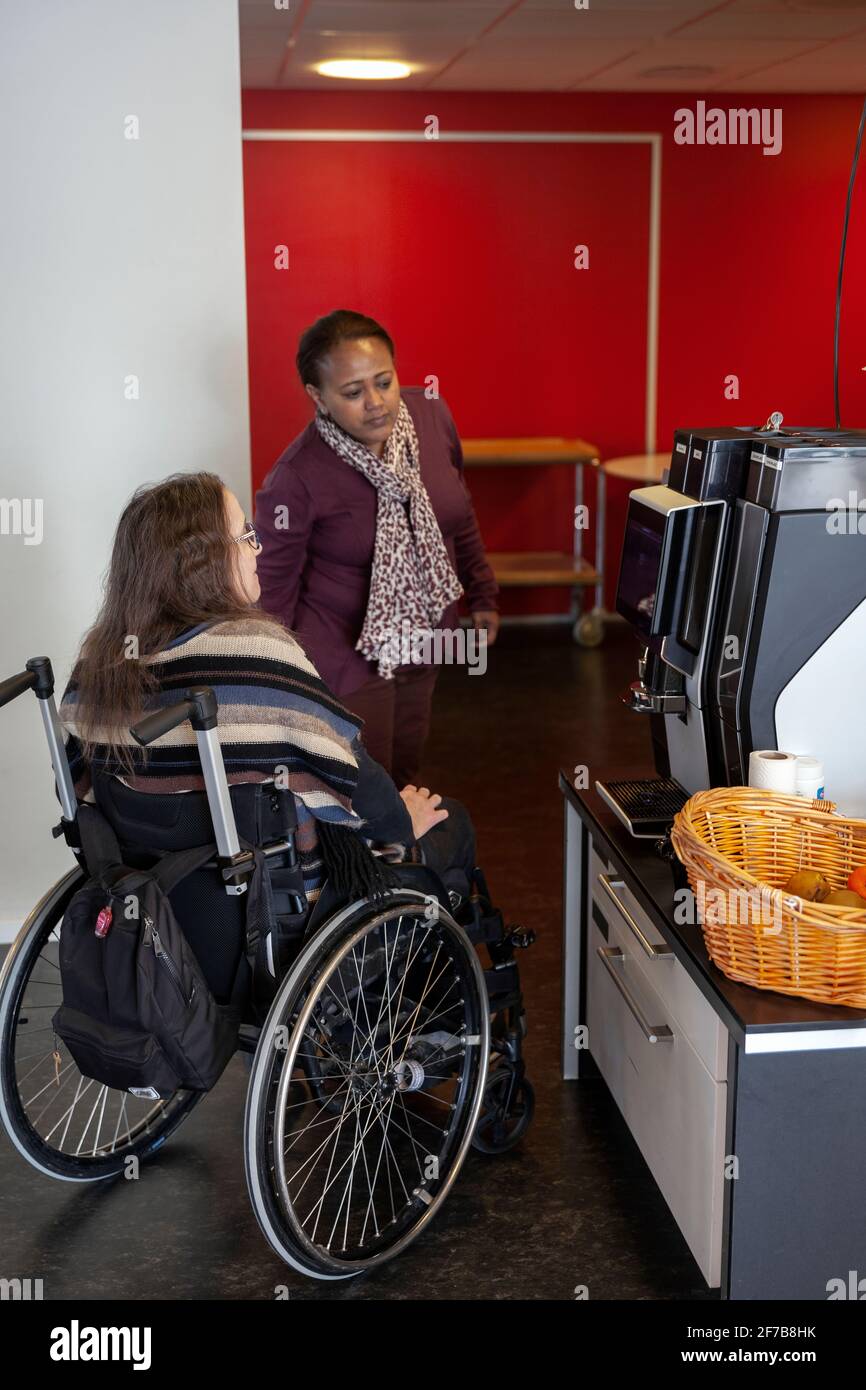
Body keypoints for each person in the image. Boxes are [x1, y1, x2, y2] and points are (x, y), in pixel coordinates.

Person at [58, 472, 478, 919]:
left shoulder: (98, 664)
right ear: (203, 561)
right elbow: (354, 777)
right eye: (245, 536)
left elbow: (82, 791)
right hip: (274, 911)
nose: (258, 548)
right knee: (452, 822)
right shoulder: (257, 653)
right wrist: (401, 822)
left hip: (152, 908)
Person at [254, 309, 500, 788]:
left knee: (406, 768)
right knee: (363, 784)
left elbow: (458, 511)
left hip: (425, 635)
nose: (376, 403)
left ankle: (396, 860)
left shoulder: (431, 415)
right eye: (352, 392)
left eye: (383, 382)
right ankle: (366, 862)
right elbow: (273, 592)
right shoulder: (297, 476)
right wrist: (279, 681)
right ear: (317, 397)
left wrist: (483, 592)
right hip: (343, 652)